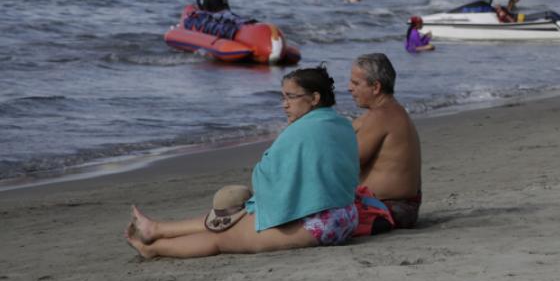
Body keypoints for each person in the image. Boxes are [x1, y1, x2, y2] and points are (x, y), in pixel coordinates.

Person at [124, 66, 359, 258]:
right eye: (283, 97)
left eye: (291, 97)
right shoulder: (340, 123)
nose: (284, 104)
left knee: (220, 238)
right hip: (346, 215)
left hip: (321, 225)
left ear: (315, 98)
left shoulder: (300, 130)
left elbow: (266, 174)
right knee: (230, 219)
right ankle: (156, 229)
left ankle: (151, 248)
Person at [348, 54, 423, 229]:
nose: (349, 88)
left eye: (356, 83)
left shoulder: (380, 115)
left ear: (375, 87)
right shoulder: (391, 111)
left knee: (318, 222)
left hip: (389, 209)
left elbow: (349, 163)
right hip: (402, 207)